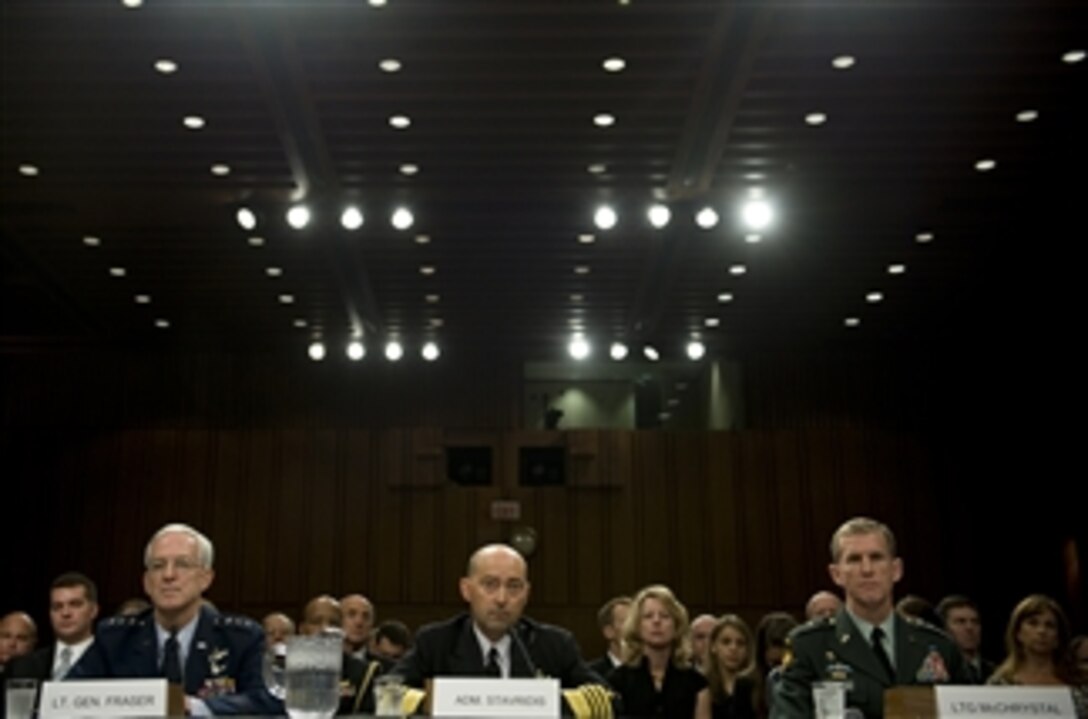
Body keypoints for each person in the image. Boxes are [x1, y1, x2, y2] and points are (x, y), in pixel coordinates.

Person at [69, 523, 280, 715]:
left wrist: (197, 708)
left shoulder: (241, 638)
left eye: (182, 564)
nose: (168, 575)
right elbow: (68, 697)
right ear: (146, 582)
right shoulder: (114, 638)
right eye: (158, 566)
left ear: (205, 579)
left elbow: (268, 701)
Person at [773, 516, 966, 719]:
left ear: (896, 570)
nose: (867, 570)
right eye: (854, 559)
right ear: (836, 574)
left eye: (876, 557)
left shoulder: (937, 645)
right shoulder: (809, 647)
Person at [392, 543, 614, 717]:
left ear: (526, 593)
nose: (501, 599)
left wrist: (543, 703)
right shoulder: (435, 642)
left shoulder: (554, 644)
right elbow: (385, 692)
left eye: (514, 587)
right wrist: (435, 704)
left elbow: (607, 699)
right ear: (466, 590)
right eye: (490, 584)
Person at [607, 584, 707, 718]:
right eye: (648, 616)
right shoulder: (617, 680)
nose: (656, 621)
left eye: (665, 616)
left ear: (676, 625)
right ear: (637, 626)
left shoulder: (696, 682)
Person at [986, 594, 1087, 717]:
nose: (1041, 631)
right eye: (1033, 623)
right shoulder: (1000, 685)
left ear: (1058, 638)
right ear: (1018, 633)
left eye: (1049, 625)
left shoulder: (1079, 682)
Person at [7, 573, 99, 682]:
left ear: (93, 610)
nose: (65, 613)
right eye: (57, 607)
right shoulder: (21, 667)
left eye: (75, 604)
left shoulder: (111, 664)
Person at [298, 595, 379, 715]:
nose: (325, 629)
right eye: (316, 622)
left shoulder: (364, 673)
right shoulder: (285, 668)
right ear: (303, 629)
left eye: (333, 624)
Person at [695, 614, 758, 719]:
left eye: (740, 643)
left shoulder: (755, 686)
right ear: (713, 647)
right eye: (726, 642)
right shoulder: (701, 684)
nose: (733, 648)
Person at [935, 595, 995, 683]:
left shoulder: (996, 673)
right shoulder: (937, 674)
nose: (970, 627)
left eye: (975, 621)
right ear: (943, 629)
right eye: (960, 621)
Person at [588, 596, 631, 678]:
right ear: (608, 631)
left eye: (636, 621)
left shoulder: (653, 671)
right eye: (628, 622)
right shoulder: (592, 674)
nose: (634, 628)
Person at [341, 594, 374, 661]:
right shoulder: (322, 664)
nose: (359, 622)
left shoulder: (386, 668)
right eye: (351, 614)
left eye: (366, 616)